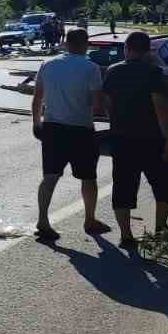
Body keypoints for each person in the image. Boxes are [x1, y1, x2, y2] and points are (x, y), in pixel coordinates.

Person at [31, 28, 111, 242]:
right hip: (80, 129)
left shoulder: (48, 65)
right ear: (85, 45)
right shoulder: (91, 68)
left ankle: (42, 221)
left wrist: (36, 123)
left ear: (66, 43)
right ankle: (90, 220)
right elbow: (97, 104)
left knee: (49, 177)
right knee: (88, 177)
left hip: (52, 128)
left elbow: (37, 97)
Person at [101, 32, 168, 251]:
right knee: (164, 184)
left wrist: (116, 119)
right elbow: (161, 109)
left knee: (123, 186)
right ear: (148, 51)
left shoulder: (113, 71)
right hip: (151, 139)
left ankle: (126, 236)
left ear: (126, 48)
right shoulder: (154, 73)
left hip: (122, 139)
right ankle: (160, 230)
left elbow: (106, 102)